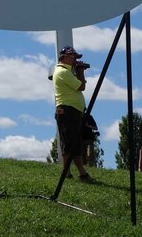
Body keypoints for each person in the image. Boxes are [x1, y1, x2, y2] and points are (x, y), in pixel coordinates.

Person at [52, 46, 93, 182]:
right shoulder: (63, 72)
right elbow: (81, 86)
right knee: (70, 142)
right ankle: (77, 173)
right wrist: (81, 72)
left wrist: (77, 71)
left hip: (71, 110)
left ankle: (72, 172)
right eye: (73, 57)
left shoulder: (67, 72)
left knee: (73, 142)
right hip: (67, 110)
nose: (75, 60)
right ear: (64, 57)